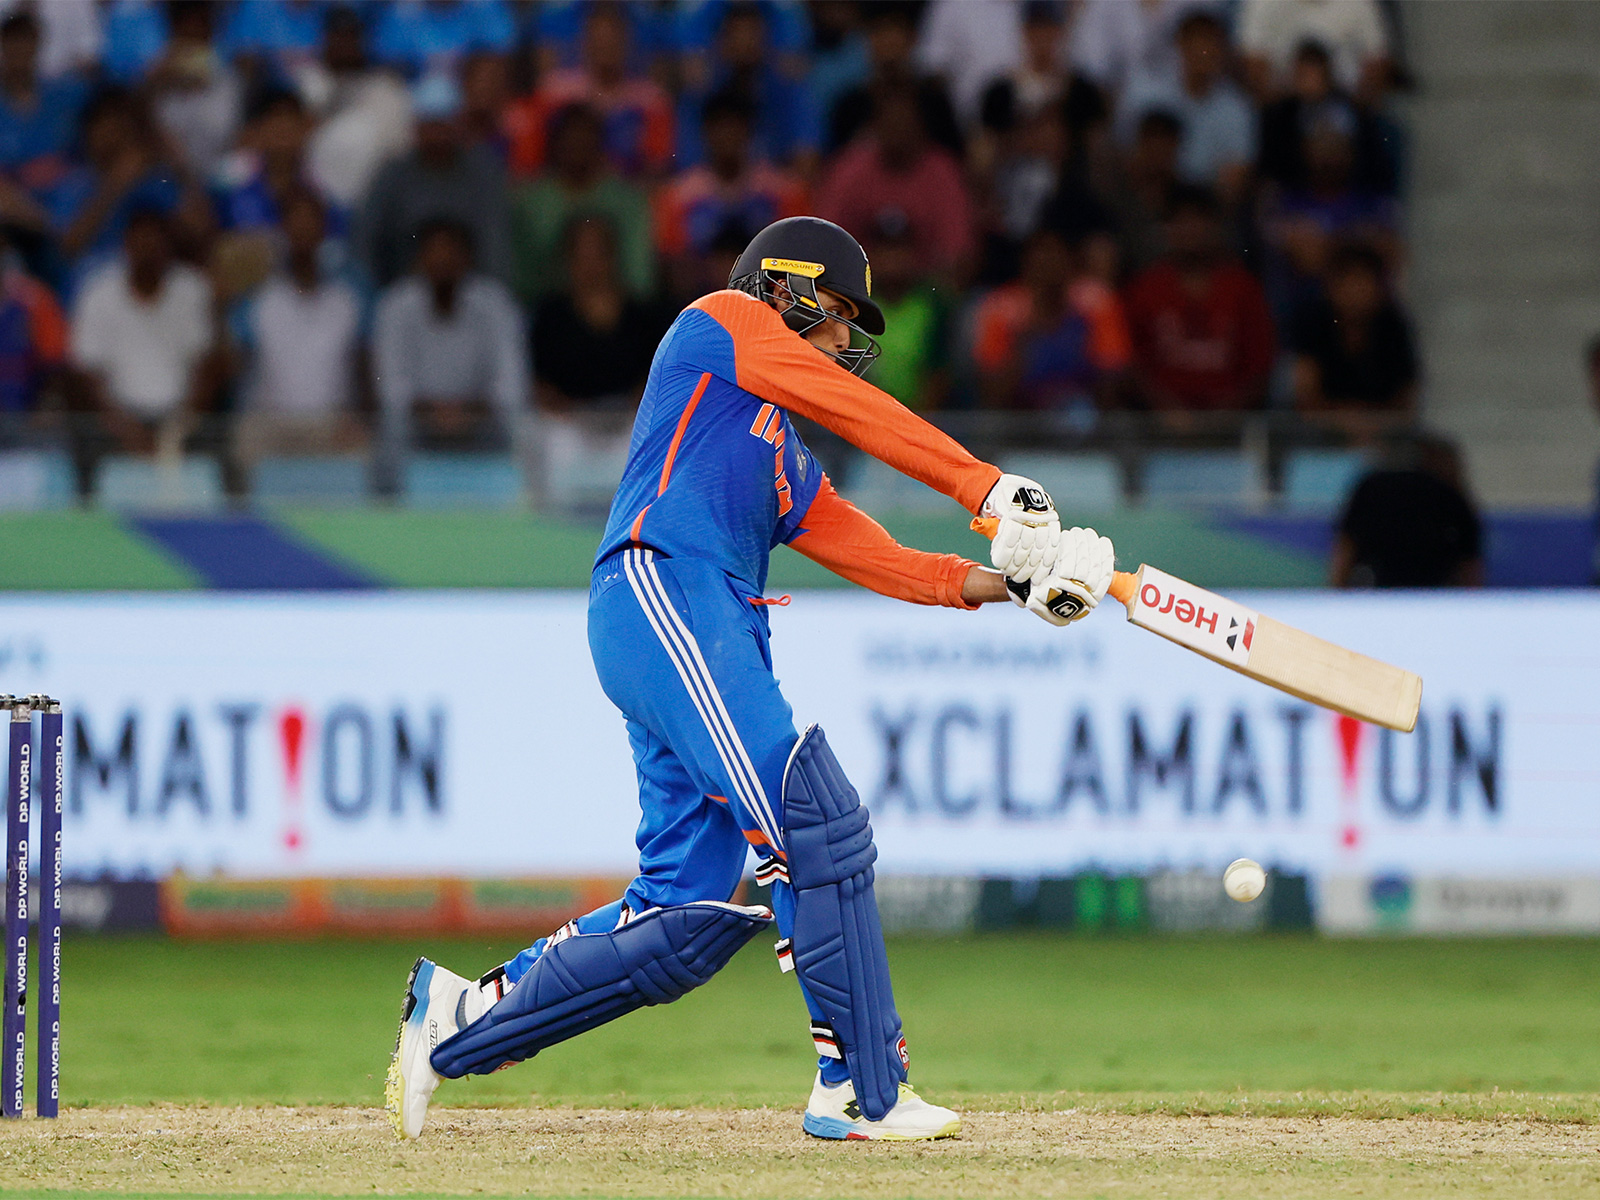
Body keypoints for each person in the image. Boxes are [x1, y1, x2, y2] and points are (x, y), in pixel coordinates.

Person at [386, 215, 1115, 1142]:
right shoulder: (719, 322)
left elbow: (883, 558)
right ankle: (859, 1089)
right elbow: (859, 411)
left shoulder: (779, 453)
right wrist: (988, 489)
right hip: (667, 593)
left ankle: (454, 1022)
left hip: (688, 621)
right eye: (838, 311)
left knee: (683, 916)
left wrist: (1011, 583)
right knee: (813, 820)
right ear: (784, 285)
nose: (845, 338)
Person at [229, 186, 368, 474]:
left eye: (310, 221)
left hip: (329, 421)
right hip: (272, 422)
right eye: (295, 221)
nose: (303, 229)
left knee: (363, 450)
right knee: (244, 441)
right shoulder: (258, 299)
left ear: (324, 230)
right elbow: (234, 363)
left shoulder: (347, 299)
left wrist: (358, 416)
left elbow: (362, 369)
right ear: (282, 229)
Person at [69, 205, 217, 455]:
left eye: (154, 244)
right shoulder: (98, 292)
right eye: (140, 244)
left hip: (181, 421)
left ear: (168, 247)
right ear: (126, 246)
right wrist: (124, 429)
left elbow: (207, 365)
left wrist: (179, 427)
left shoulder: (192, 289)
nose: (147, 251)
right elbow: (87, 372)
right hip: (115, 424)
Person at [372, 217, 527, 455]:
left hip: (484, 436)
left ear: (468, 259)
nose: (442, 261)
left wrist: (467, 413)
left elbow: (511, 386)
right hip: (414, 438)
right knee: (389, 430)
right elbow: (392, 390)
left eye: (450, 253)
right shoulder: (395, 306)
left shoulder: (496, 304)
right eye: (434, 253)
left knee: (524, 428)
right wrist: (434, 414)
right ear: (419, 259)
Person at [1122, 185, 1276, 414]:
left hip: (1232, 422)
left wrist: (1226, 414)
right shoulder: (1146, 288)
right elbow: (1131, 362)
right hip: (1159, 423)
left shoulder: (1243, 288)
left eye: (1197, 220)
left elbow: (1260, 365)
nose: (1190, 229)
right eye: (1181, 221)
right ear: (1167, 228)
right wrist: (1166, 409)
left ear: (1214, 226)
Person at [357, 72, 511, 288]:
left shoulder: (483, 172)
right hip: (403, 289)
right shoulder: (393, 174)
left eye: (443, 126)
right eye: (430, 126)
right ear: (416, 128)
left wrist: (493, 293)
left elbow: (495, 243)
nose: (437, 136)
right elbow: (366, 237)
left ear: (458, 125)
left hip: (471, 291)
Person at [655, 88, 808, 298]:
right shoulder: (678, 198)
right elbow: (673, 267)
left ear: (750, 131)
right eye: (719, 128)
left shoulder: (784, 193)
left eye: (735, 128)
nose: (727, 136)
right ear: (705, 132)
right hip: (699, 300)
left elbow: (797, 261)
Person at [510, 102, 654, 306]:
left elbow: (639, 276)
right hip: (547, 307)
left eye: (585, 140)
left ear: (599, 145)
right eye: (571, 141)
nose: (578, 148)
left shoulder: (627, 200)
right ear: (556, 145)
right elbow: (524, 275)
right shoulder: (532, 202)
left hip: (617, 309)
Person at [1290, 244, 1417, 428]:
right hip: (1322, 432)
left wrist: (1369, 422)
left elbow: (1405, 399)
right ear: (1331, 286)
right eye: (1348, 281)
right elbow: (1306, 397)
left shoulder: (1393, 325)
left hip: (1381, 432)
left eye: (1363, 282)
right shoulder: (1314, 323)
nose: (1356, 292)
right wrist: (1344, 419)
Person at [1332, 435, 1483, 588]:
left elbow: (1346, 545)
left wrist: (1337, 588)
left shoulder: (1372, 487)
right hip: (1426, 590)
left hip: (1380, 588)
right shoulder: (1448, 493)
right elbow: (1469, 566)